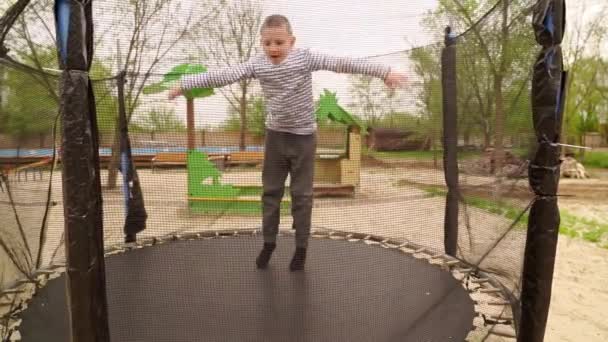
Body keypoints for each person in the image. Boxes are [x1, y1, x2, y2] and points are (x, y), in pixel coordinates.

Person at [170, 14, 407, 271]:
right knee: (270, 192)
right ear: (261, 43)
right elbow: (224, 75)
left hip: (304, 138)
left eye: (279, 43)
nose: (273, 48)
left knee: (301, 195)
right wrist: (183, 85)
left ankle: (301, 247)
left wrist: (385, 72)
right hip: (275, 137)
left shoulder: (305, 58)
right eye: (267, 43)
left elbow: (343, 63)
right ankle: (269, 242)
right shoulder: (257, 64)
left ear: (291, 41)